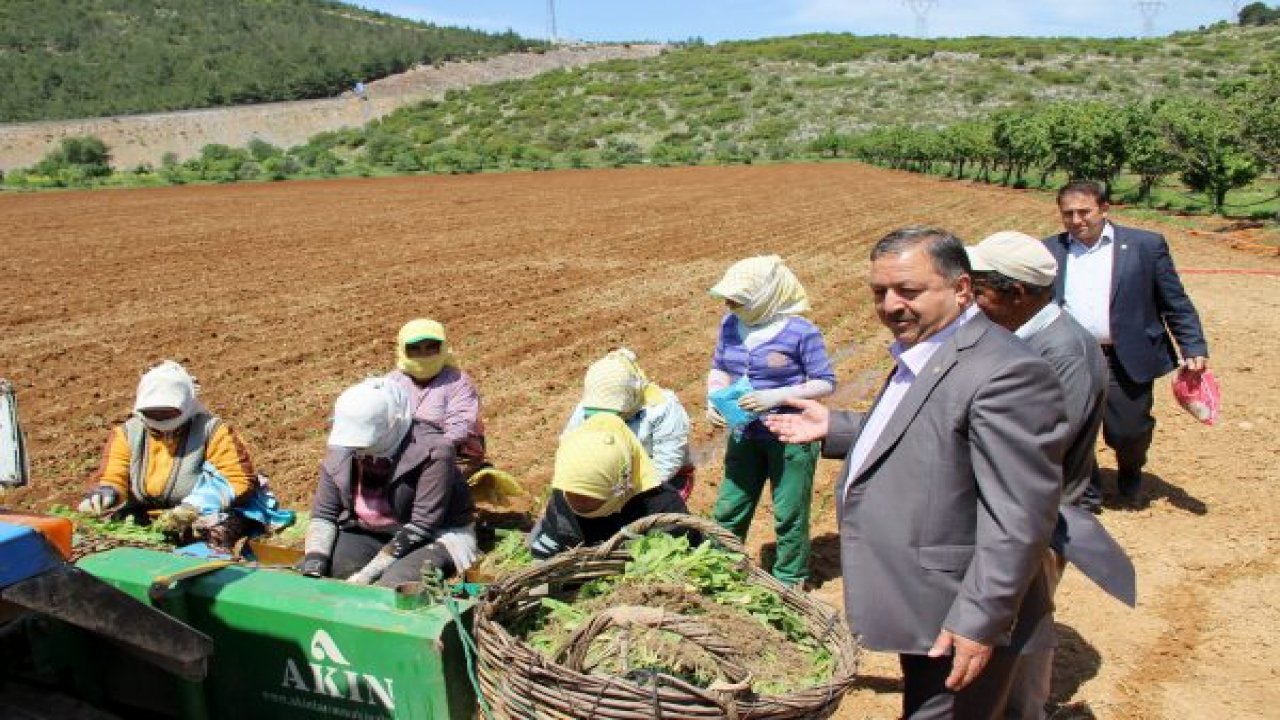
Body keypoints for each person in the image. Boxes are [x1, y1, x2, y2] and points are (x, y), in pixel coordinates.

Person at [766, 227, 1068, 719]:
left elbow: (1019, 516)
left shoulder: (1005, 372)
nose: (891, 305)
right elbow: (932, 429)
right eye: (879, 292)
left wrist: (979, 619)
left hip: (958, 612)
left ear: (962, 288)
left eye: (908, 290)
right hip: (925, 601)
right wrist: (838, 426)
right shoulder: (930, 347)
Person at [967, 231, 1134, 720]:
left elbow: (1039, 448)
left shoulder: (1064, 353)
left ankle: (1023, 710)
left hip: (1037, 516)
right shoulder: (1024, 336)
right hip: (1011, 506)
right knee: (1004, 617)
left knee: (1022, 624)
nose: (973, 301)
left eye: (981, 291)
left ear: (1017, 293)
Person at [1045, 182, 1209, 505]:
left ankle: (1131, 468)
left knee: (1128, 430)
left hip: (1124, 355)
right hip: (1069, 355)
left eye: (1084, 212)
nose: (1077, 220)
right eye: (1068, 214)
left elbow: (1174, 301)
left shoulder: (1145, 246)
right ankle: (1085, 491)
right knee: (1071, 427)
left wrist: (1193, 346)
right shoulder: (1049, 251)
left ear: (1104, 208)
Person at [706, 254, 836, 589]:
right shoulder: (730, 324)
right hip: (744, 432)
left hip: (791, 436)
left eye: (739, 298)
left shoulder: (801, 332)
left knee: (789, 512)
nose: (731, 303)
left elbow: (825, 381)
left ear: (765, 296)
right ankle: (718, 570)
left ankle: (789, 581)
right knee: (729, 506)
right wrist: (714, 397)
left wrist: (777, 396)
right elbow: (719, 366)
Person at [78, 361, 286, 552]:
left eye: (167, 412)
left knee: (213, 534)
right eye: (154, 413)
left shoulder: (212, 431)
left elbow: (237, 478)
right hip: (148, 512)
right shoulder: (127, 434)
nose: (160, 419)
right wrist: (107, 492)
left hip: (207, 513)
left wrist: (195, 506)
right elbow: (114, 474)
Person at [298, 377, 477, 587]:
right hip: (366, 531)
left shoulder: (433, 451)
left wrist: (366, 575)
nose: (359, 447)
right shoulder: (343, 446)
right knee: (334, 573)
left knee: (392, 587)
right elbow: (324, 514)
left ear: (395, 422)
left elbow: (423, 524)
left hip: (432, 537)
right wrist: (314, 562)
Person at [527, 411, 692, 560]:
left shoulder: (661, 506)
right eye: (571, 493)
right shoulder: (562, 499)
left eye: (591, 496)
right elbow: (546, 550)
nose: (579, 502)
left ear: (620, 485)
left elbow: (675, 558)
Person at [562, 348, 694, 499]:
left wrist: (630, 491)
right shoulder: (588, 407)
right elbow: (570, 441)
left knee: (652, 517)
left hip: (665, 479)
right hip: (613, 478)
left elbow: (667, 461)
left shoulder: (662, 408)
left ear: (632, 397)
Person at [385, 318, 488, 479]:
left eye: (431, 347)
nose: (423, 354)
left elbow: (460, 427)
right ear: (403, 350)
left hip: (450, 453)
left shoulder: (457, 381)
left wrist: (421, 452)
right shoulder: (391, 382)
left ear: (442, 348)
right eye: (415, 348)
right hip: (399, 452)